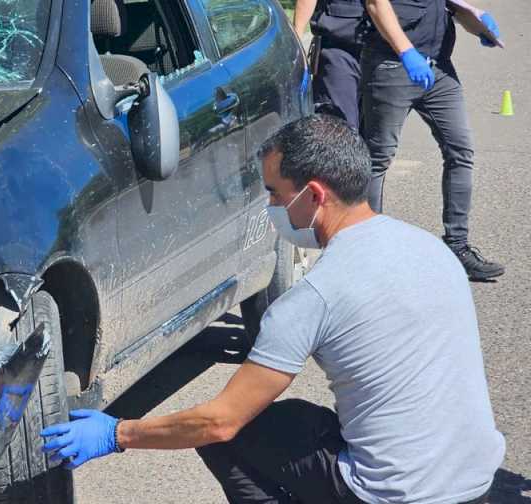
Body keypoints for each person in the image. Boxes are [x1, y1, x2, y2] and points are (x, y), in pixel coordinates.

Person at [40, 115, 504, 504]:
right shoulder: (430, 249)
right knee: (291, 419)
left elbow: (220, 422)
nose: (271, 206)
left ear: (315, 195)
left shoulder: (317, 295)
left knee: (228, 438)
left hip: (394, 494)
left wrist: (118, 433)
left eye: (276, 194)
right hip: (475, 479)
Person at [361, 0, 504, 280]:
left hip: (439, 67)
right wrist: (407, 53)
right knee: (377, 159)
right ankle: (366, 251)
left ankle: (457, 247)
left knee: (460, 152)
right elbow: (376, 4)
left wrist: (476, 21)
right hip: (392, 65)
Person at [294, 0, 366, 130]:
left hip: (388, 50)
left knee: (377, 137)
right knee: (337, 127)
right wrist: (296, 44)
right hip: (340, 49)